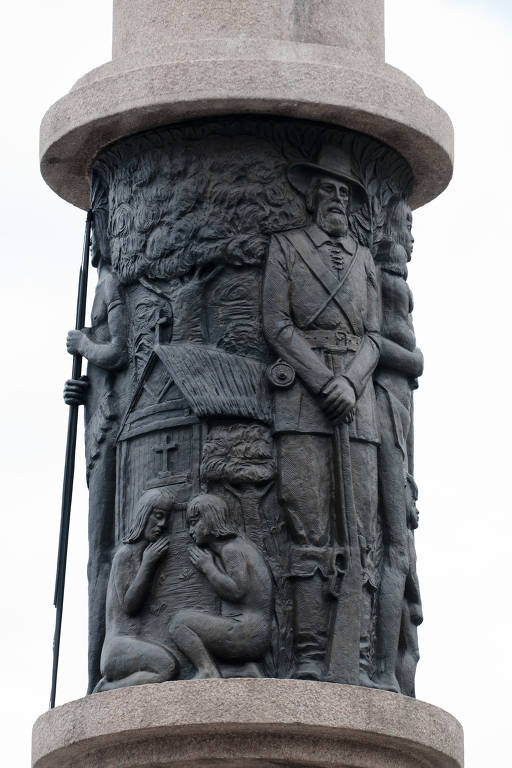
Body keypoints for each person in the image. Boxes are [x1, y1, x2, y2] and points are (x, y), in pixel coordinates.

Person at [262, 144, 380, 681]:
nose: (336, 200)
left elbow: (375, 336)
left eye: (344, 193)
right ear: (311, 198)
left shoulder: (366, 260)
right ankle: (310, 657)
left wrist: (351, 382)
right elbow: (277, 323)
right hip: (304, 401)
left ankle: (357, 655)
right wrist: (323, 380)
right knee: (307, 526)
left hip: (357, 406)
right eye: (327, 190)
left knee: (360, 529)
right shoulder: (287, 248)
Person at [63, 172, 129, 692]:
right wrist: (81, 391)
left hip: (112, 425)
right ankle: (97, 665)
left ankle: (101, 665)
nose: (96, 241)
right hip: (100, 416)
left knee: (103, 548)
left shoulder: (114, 283)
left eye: (99, 229)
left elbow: (117, 351)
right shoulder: (109, 280)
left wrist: (82, 345)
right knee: (98, 549)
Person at [369, 196, 424, 692]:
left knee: (398, 551)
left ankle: (390, 668)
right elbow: (381, 345)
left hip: (397, 422)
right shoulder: (386, 283)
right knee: (394, 552)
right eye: (404, 225)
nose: (412, 236)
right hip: (385, 414)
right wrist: (416, 357)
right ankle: (382, 670)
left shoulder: (392, 284)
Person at [169, 494, 273, 678]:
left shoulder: (231, 550)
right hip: (254, 633)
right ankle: (244, 669)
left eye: (194, 522)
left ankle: (207, 670)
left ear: (210, 519)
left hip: (248, 633)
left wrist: (208, 567)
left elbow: (236, 590)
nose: (191, 531)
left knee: (179, 624)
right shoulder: (236, 547)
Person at [93, 488, 177, 692]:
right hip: (117, 649)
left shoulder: (143, 554)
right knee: (166, 668)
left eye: (166, 519)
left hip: (131, 643)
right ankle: (106, 689)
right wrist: (148, 564)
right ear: (144, 515)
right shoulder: (125, 555)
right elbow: (129, 604)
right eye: (158, 517)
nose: (162, 525)